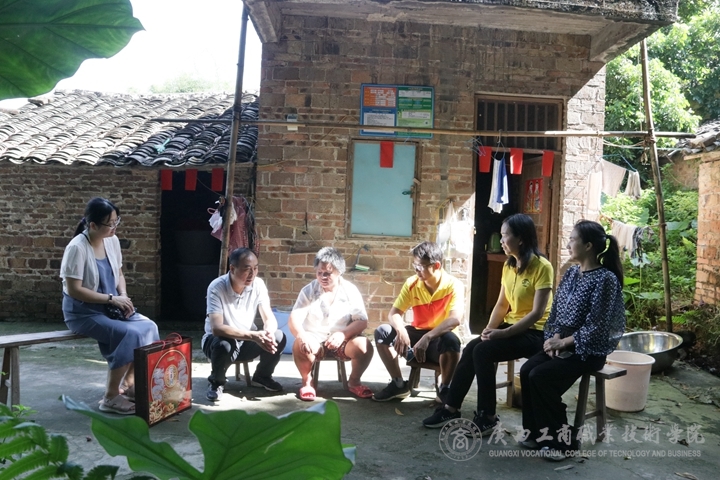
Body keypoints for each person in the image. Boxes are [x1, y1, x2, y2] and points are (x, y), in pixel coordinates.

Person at [423, 213, 554, 434]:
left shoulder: (543, 267)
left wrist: (502, 334)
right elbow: (502, 304)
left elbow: (537, 313)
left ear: (521, 238)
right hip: (512, 327)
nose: (501, 241)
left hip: (536, 332)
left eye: (505, 236)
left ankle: (488, 416)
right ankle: (450, 408)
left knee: (483, 352)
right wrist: (489, 329)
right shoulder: (509, 265)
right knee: (473, 347)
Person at [520, 220, 625, 461]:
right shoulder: (571, 273)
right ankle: (536, 434)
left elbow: (598, 326)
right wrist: (554, 338)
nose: (568, 244)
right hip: (563, 342)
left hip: (589, 349)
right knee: (527, 371)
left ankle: (564, 442)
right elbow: (557, 311)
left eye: (572, 239)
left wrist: (564, 343)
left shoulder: (605, 279)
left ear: (588, 246)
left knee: (541, 377)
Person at [61, 197, 159, 415]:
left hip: (112, 306)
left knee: (149, 327)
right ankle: (110, 396)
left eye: (117, 221)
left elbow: (119, 273)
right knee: (129, 334)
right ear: (93, 225)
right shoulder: (76, 248)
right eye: (110, 223)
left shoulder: (112, 241)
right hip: (83, 312)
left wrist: (123, 295)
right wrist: (111, 299)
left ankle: (130, 385)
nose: (115, 227)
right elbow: (75, 290)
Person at [372, 241, 464, 402]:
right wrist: (401, 330)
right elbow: (394, 313)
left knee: (451, 340)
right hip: (416, 338)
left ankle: (445, 389)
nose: (416, 270)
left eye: (420, 266)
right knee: (383, 332)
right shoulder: (412, 283)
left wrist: (428, 337)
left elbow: (454, 319)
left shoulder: (454, 285)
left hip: (439, 341)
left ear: (436, 265)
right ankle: (398, 384)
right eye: (414, 265)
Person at [289, 247, 374, 401]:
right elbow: (294, 318)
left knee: (364, 345)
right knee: (299, 343)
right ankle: (307, 382)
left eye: (328, 273)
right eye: (319, 273)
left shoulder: (349, 290)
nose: (323, 277)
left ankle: (354, 381)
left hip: (343, 341)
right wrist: (302, 336)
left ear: (339, 272)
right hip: (314, 339)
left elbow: (362, 320)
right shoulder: (309, 291)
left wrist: (343, 334)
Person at [202, 247, 286, 401]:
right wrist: (253, 336)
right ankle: (216, 382)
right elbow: (217, 328)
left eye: (255, 268)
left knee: (278, 336)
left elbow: (269, 317)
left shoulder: (258, 285)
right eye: (247, 269)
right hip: (217, 343)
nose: (252, 274)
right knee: (224, 344)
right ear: (232, 269)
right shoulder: (217, 287)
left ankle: (262, 376)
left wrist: (268, 332)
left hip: (245, 341)